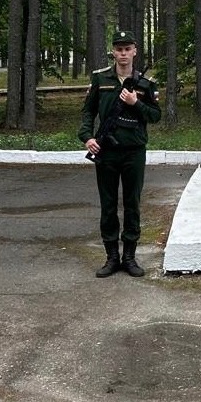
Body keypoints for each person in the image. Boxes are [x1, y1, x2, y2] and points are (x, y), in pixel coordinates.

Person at [79, 30, 161, 278]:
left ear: (135, 51)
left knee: (132, 204)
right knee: (108, 205)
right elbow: (87, 112)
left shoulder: (145, 84)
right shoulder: (100, 79)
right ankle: (112, 257)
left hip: (134, 152)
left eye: (128, 49)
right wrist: (87, 137)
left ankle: (129, 257)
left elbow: (155, 116)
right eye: (119, 49)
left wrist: (136, 102)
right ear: (113, 52)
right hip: (106, 152)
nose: (123, 54)